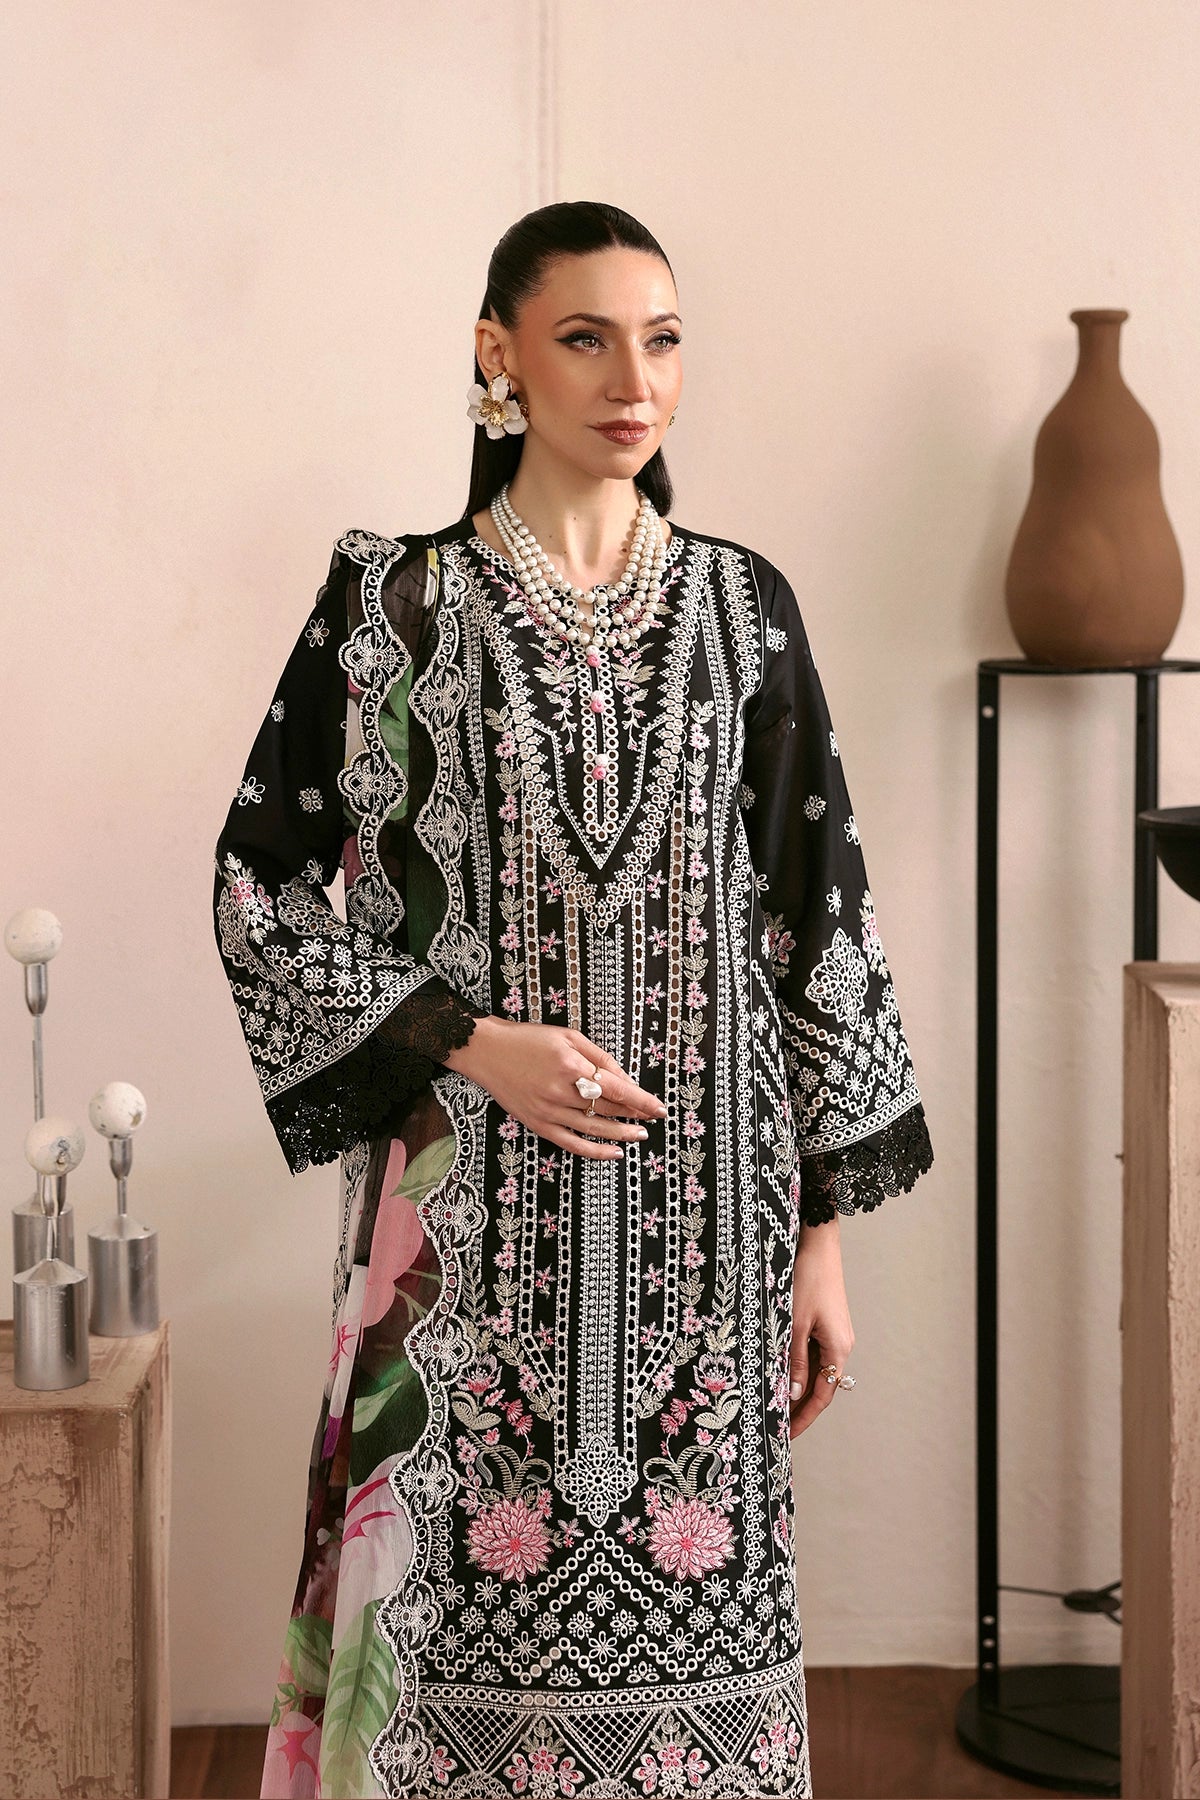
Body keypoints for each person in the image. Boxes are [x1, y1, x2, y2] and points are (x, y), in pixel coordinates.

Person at [212, 200, 934, 1800]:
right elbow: (259, 888)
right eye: (587, 337)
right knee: (440, 1678)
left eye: (664, 338)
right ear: (500, 359)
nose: (635, 378)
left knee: (708, 1677)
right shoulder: (390, 611)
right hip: (456, 1255)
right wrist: (472, 1044)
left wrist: (821, 1240)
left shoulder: (750, 613)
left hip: (714, 1257)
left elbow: (822, 932)